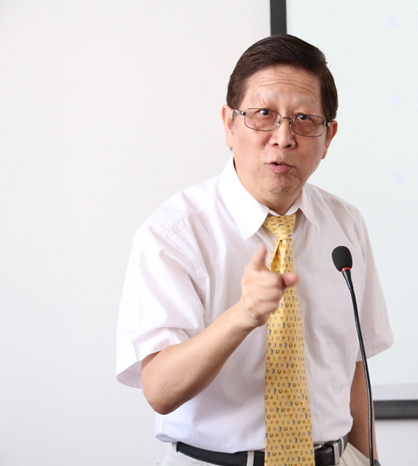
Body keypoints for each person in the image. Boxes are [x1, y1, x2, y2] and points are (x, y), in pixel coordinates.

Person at [116, 34, 393, 466]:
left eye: (304, 119)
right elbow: (159, 390)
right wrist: (242, 316)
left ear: (329, 137)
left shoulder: (346, 225)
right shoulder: (174, 232)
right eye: (264, 115)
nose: (283, 137)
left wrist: (369, 459)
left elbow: (354, 367)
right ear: (229, 124)